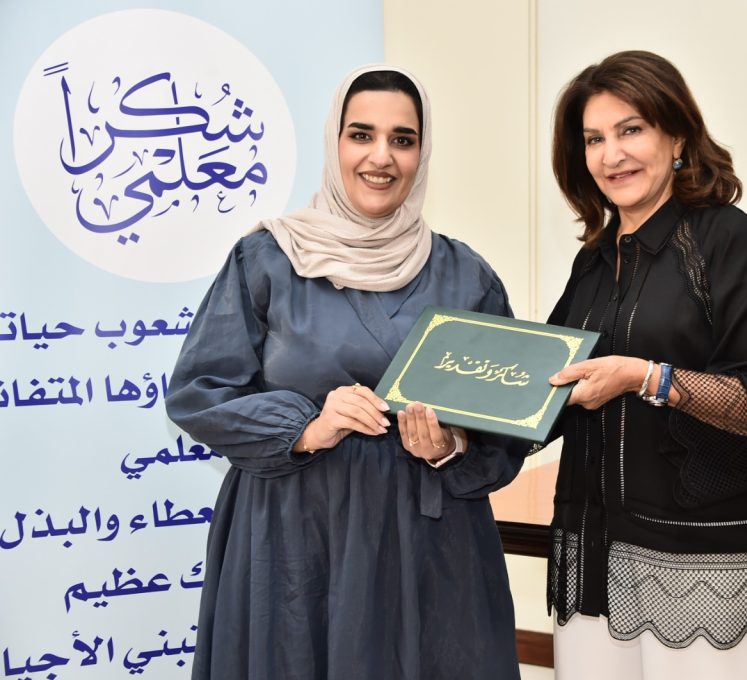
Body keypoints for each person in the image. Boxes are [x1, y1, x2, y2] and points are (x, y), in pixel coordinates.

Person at [166, 64, 527, 680]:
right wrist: (306, 427)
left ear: (422, 153)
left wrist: (451, 446)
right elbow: (199, 394)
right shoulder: (268, 259)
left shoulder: (466, 276)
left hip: (428, 551)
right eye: (361, 135)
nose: (381, 157)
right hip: (295, 543)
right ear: (334, 142)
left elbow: (507, 427)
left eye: (402, 139)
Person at [543, 50, 747, 679]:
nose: (612, 154)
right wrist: (456, 428)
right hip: (593, 554)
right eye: (594, 139)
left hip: (700, 566)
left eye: (631, 129)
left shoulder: (728, 239)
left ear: (678, 137)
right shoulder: (594, 260)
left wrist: (648, 378)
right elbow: (551, 382)